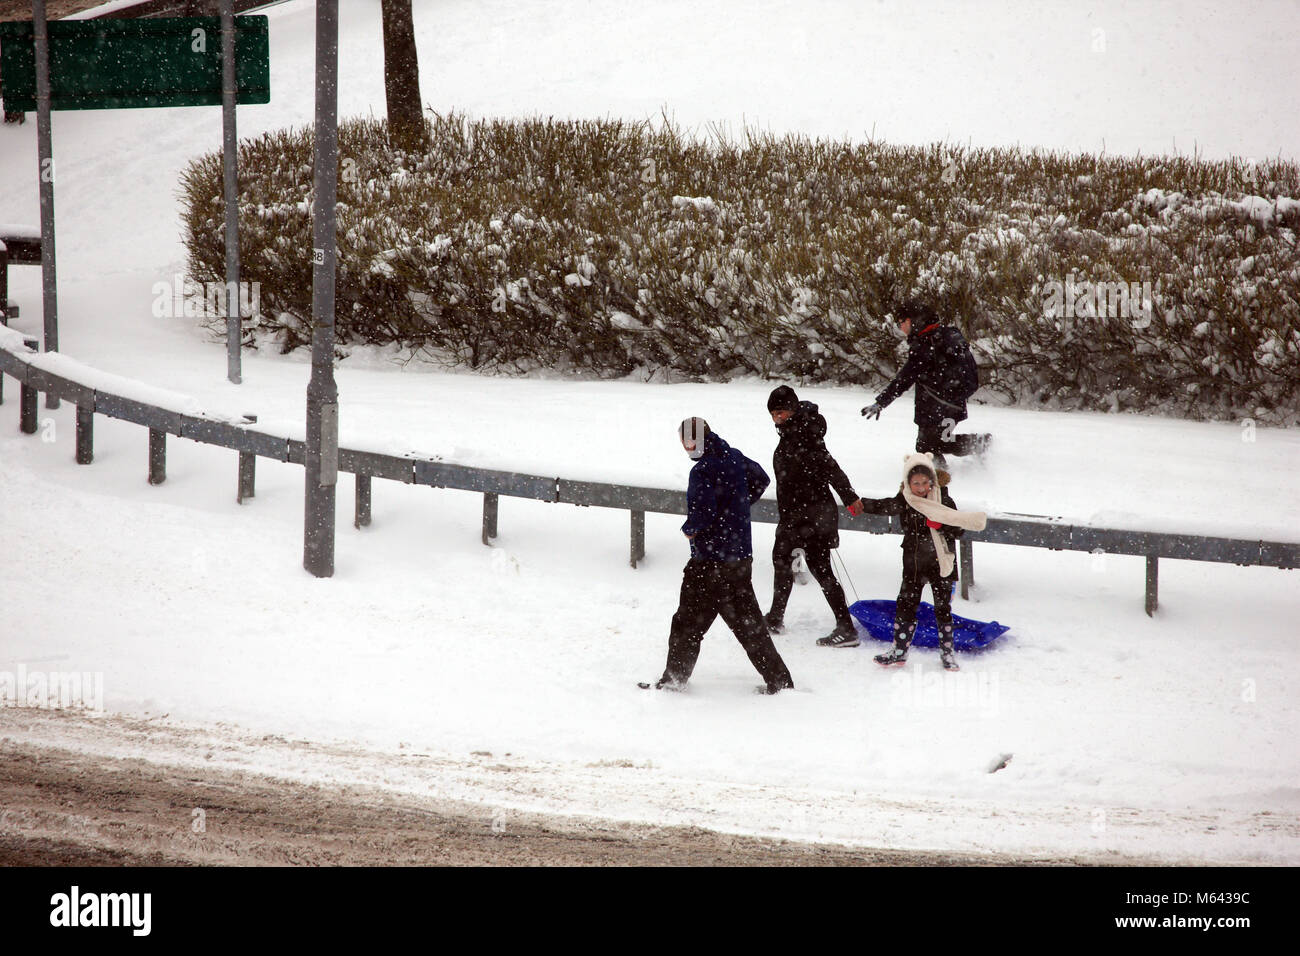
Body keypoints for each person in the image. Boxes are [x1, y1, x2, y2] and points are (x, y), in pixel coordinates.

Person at [650, 417, 796, 695]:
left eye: (686, 441)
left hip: (709, 561)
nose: (685, 447)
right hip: (739, 559)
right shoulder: (733, 455)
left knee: (687, 623)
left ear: (694, 440)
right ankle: (780, 681)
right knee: (749, 627)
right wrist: (736, 505)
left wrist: (691, 529)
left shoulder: (703, 471)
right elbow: (761, 478)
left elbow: (702, 514)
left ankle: (674, 680)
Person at [855, 452, 987, 671]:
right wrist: (861, 505)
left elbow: (959, 528)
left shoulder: (943, 500)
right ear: (908, 482)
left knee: (942, 608)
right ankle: (899, 651)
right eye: (915, 483)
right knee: (906, 605)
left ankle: (947, 652)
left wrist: (941, 525)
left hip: (940, 562)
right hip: (914, 562)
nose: (920, 488)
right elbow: (886, 506)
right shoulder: (905, 500)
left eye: (925, 483)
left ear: (932, 481)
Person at [764, 385, 865, 648]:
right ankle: (775, 617)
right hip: (795, 516)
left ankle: (846, 628)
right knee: (781, 560)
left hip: (814, 516)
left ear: (793, 409)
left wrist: (850, 497)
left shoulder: (805, 435)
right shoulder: (791, 433)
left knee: (821, 569)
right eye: (774, 413)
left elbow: (831, 467)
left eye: (782, 412)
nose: (777, 417)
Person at [860, 299, 989, 468]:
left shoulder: (925, 344)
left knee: (930, 446)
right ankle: (968, 451)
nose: (901, 329)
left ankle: (944, 473)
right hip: (952, 402)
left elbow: (905, 378)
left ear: (909, 321)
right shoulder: (944, 334)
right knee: (935, 443)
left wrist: (881, 402)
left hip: (938, 405)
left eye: (900, 324)